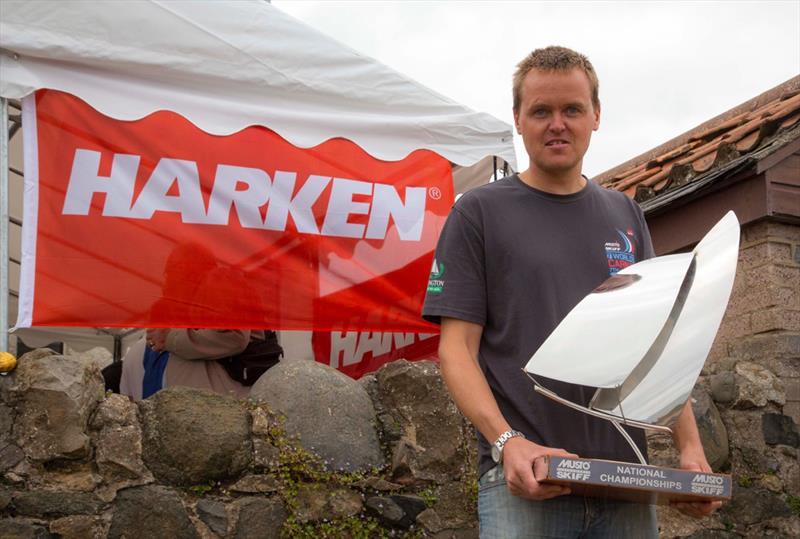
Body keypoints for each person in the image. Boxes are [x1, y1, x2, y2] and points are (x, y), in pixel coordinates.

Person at [422, 46, 719, 538]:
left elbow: (657, 347)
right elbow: (456, 350)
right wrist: (507, 443)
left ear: (595, 116)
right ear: (518, 119)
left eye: (572, 110)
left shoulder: (626, 215)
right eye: (541, 111)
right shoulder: (477, 213)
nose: (556, 124)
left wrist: (690, 449)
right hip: (527, 483)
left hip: (625, 485)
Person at [119, 328, 267, 400]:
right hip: (190, 416)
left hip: (207, 416)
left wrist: (169, 338)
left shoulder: (218, 280)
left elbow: (235, 335)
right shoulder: (142, 350)